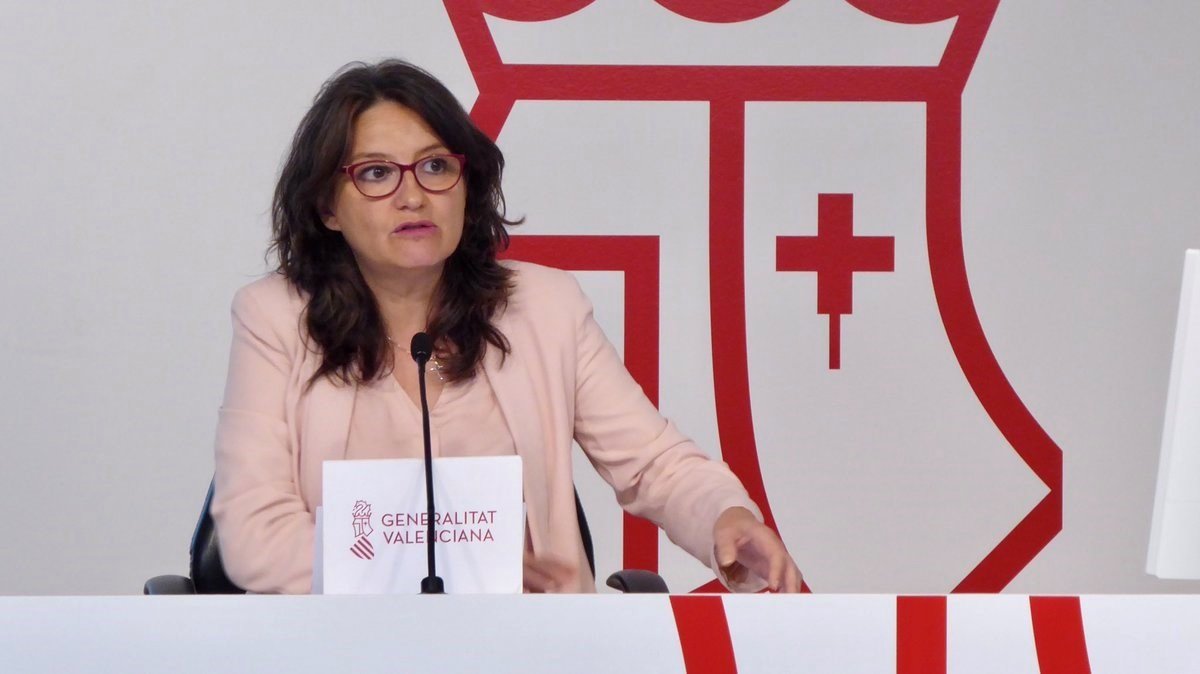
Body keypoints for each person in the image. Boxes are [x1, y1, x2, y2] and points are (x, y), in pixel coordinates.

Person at [211, 59, 802, 594]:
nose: (412, 195)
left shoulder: (544, 307)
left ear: (467, 187)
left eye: (436, 166)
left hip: (535, 646)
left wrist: (729, 516)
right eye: (375, 174)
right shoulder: (275, 318)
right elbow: (255, 533)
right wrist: (455, 571)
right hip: (345, 650)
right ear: (327, 206)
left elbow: (653, 464)